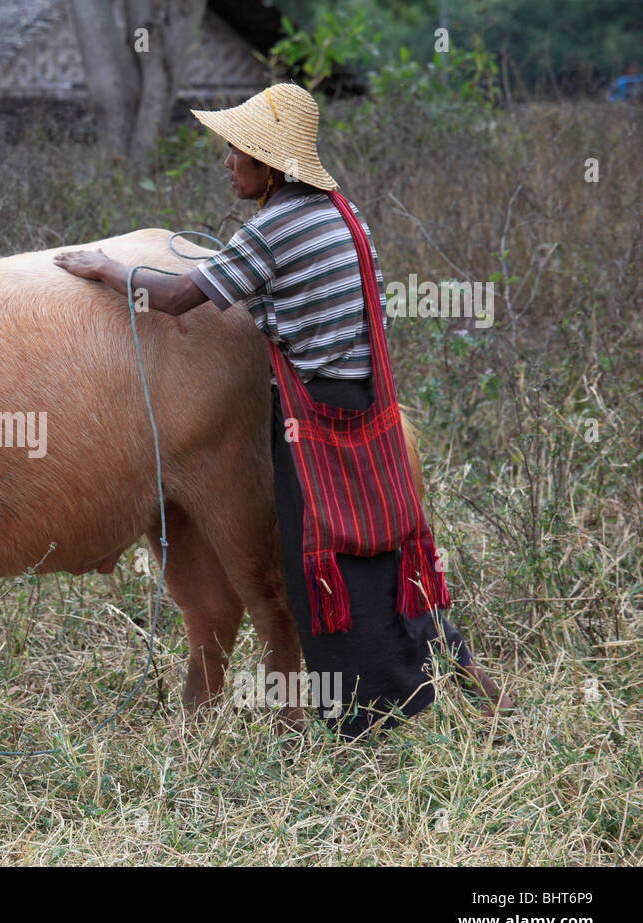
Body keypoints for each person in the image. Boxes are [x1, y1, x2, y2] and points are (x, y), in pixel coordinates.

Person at [54, 83, 514, 738]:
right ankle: (465, 682)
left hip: (318, 416)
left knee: (324, 562)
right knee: (384, 545)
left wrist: (106, 269)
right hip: (364, 406)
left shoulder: (275, 227)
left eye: (236, 151)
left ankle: (365, 721)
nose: (226, 162)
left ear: (268, 164)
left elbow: (182, 296)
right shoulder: (339, 212)